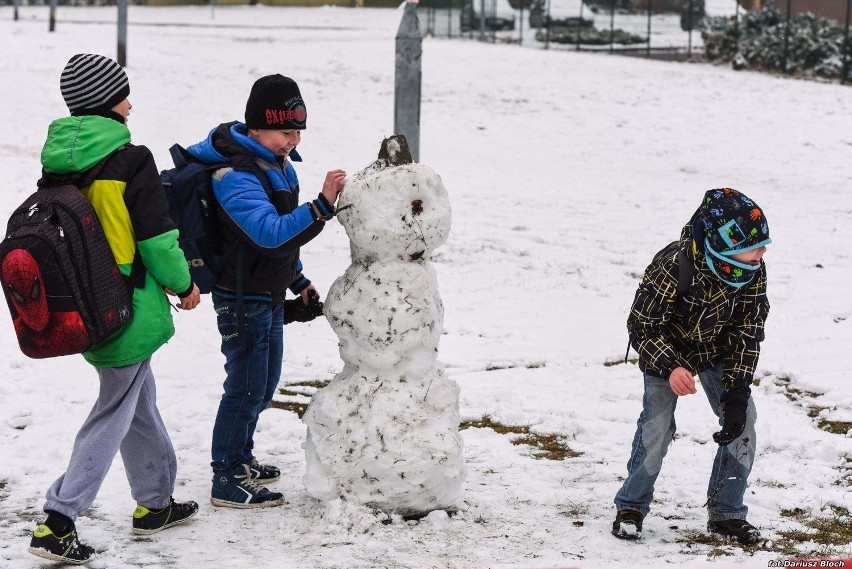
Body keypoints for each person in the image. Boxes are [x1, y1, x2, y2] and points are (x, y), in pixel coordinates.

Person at [27, 54, 202, 565]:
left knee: (136, 400)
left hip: (82, 302)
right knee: (113, 411)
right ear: (109, 101)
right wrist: (184, 283)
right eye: (124, 92)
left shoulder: (58, 161)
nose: (132, 101)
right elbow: (156, 238)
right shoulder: (130, 160)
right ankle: (59, 519)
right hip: (127, 306)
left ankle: (155, 504)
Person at [183, 74, 345, 508]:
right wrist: (321, 207)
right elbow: (267, 234)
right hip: (240, 299)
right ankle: (226, 475)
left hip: (266, 293)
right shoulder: (233, 173)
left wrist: (298, 280)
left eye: (296, 132)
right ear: (255, 127)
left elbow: (279, 246)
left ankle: (242, 457)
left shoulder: (275, 163)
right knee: (245, 386)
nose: (291, 141)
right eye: (283, 131)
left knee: (264, 382)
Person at [612, 188, 771, 545]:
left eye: (764, 244)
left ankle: (727, 513)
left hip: (716, 351)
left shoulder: (752, 272)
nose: (763, 252)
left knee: (742, 422)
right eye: (755, 244)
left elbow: (747, 332)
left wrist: (736, 393)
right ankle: (631, 506)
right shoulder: (675, 264)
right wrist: (669, 366)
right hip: (666, 348)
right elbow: (642, 325)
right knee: (657, 426)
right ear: (723, 244)